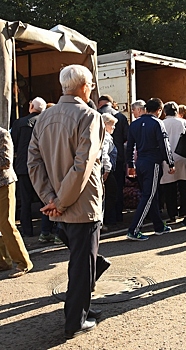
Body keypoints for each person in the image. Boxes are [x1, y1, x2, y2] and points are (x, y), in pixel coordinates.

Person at [28, 64, 105, 337]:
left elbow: (33, 164)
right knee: (82, 264)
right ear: (84, 86)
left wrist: (50, 198)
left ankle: (84, 308)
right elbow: (83, 166)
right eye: (91, 83)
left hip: (59, 202)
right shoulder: (90, 116)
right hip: (81, 203)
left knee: (82, 257)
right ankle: (75, 320)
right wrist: (60, 201)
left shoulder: (43, 118)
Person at [126, 98, 175, 241]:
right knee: (148, 195)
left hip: (140, 162)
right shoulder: (157, 123)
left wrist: (131, 165)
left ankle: (159, 226)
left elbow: (129, 147)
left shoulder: (134, 124)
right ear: (159, 111)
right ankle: (134, 229)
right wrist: (170, 162)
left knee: (150, 194)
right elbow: (164, 144)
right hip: (152, 163)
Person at [10, 97, 48, 238]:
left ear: (31, 107)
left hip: (23, 166)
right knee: (45, 198)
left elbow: (12, 143)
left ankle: (27, 231)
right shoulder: (46, 122)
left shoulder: (19, 123)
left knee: (25, 200)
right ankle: (46, 230)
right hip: (42, 167)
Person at [0, 126, 33, 278]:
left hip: (4, 183)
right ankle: (3, 262)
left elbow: (6, 161)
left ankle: (23, 262)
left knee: (6, 223)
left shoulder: (3, 133)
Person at [97, 94, 129, 223]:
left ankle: (107, 218)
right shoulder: (121, 116)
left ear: (100, 104)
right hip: (117, 160)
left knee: (104, 192)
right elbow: (127, 137)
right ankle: (118, 216)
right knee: (117, 189)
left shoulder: (95, 115)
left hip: (101, 164)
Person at [159, 101, 186, 223]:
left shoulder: (162, 123)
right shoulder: (184, 122)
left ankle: (172, 215)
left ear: (164, 112)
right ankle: (185, 211)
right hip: (183, 157)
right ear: (177, 111)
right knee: (184, 185)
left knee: (169, 188)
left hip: (167, 159)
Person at [101, 113, 119, 227]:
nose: (114, 128)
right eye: (112, 125)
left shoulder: (104, 136)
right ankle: (108, 220)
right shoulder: (106, 137)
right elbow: (104, 154)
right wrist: (107, 170)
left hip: (106, 169)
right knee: (110, 194)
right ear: (105, 124)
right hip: (106, 170)